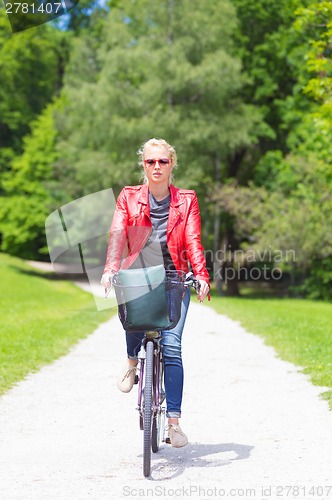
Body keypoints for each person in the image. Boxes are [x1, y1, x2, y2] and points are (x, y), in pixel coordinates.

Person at [101, 138, 210, 448]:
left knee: (172, 346)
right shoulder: (128, 197)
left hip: (174, 276)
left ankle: (173, 424)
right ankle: (132, 362)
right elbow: (118, 235)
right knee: (134, 319)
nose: (157, 166)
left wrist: (200, 275)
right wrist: (110, 269)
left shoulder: (187, 200)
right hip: (139, 273)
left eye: (163, 161)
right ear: (143, 165)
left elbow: (193, 240)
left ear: (172, 163)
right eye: (151, 162)